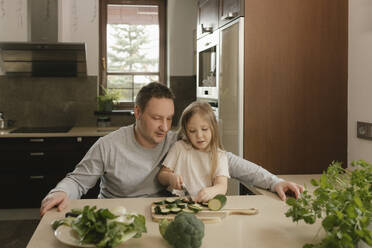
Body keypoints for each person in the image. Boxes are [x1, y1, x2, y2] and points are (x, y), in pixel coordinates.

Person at [40, 82, 304, 216]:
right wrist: (60, 192)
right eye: (156, 118)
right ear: (137, 112)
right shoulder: (108, 146)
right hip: (118, 216)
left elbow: (230, 161)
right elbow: (77, 180)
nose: (164, 127)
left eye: (169, 118)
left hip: (163, 216)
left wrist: (274, 181)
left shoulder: (178, 140)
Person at [158, 101, 229, 202]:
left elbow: (222, 186)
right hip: (179, 202)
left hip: (206, 204)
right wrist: (170, 178)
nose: (199, 135)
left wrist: (213, 191)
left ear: (213, 128)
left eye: (204, 129)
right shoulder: (179, 148)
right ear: (186, 132)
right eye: (192, 131)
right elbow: (161, 176)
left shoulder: (220, 155)